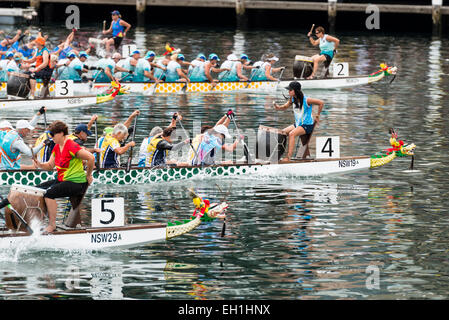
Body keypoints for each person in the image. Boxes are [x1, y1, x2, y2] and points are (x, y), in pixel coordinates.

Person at [32, 120, 94, 233]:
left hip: (77, 182)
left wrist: (88, 175)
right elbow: (50, 166)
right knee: (37, 189)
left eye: (52, 135)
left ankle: (52, 225)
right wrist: (40, 164)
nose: (51, 137)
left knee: (49, 194)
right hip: (63, 180)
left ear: (61, 133)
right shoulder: (56, 147)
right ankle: (38, 223)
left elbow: (91, 158)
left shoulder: (71, 145)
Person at [273, 81, 324, 161]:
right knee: (281, 133)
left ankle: (288, 157)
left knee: (291, 134)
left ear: (295, 91)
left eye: (290, 90)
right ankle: (278, 155)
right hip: (298, 124)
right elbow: (285, 106)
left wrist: (317, 116)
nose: (288, 91)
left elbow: (321, 103)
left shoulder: (307, 100)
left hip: (307, 125)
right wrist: (278, 107)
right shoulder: (293, 99)